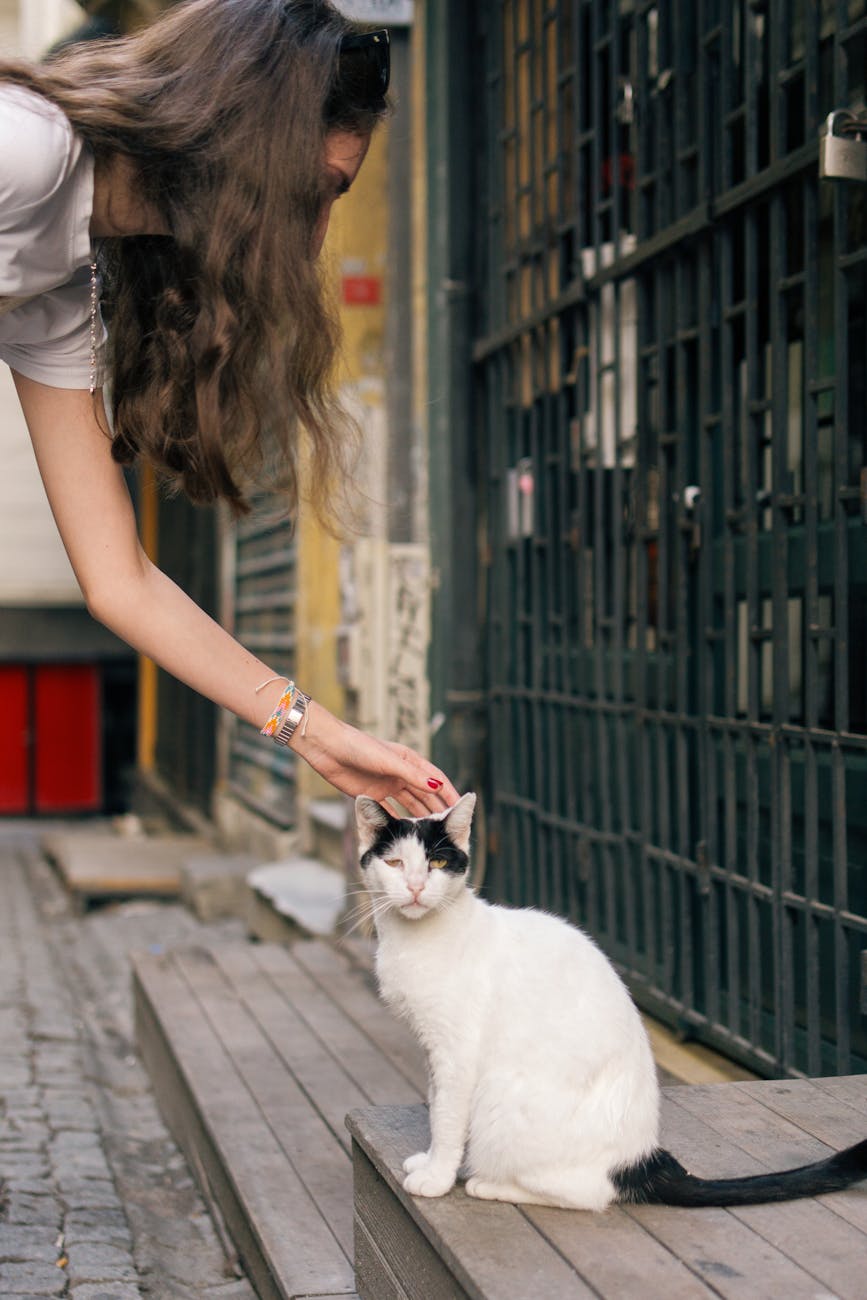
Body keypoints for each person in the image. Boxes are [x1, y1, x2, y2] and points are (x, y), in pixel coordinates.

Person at [0, 0, 457, 817]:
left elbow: (120, 580)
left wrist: (319, 736)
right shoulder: (25, 151)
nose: (315, 240)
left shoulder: (62, 283)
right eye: (319, 191)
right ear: (251, 141)